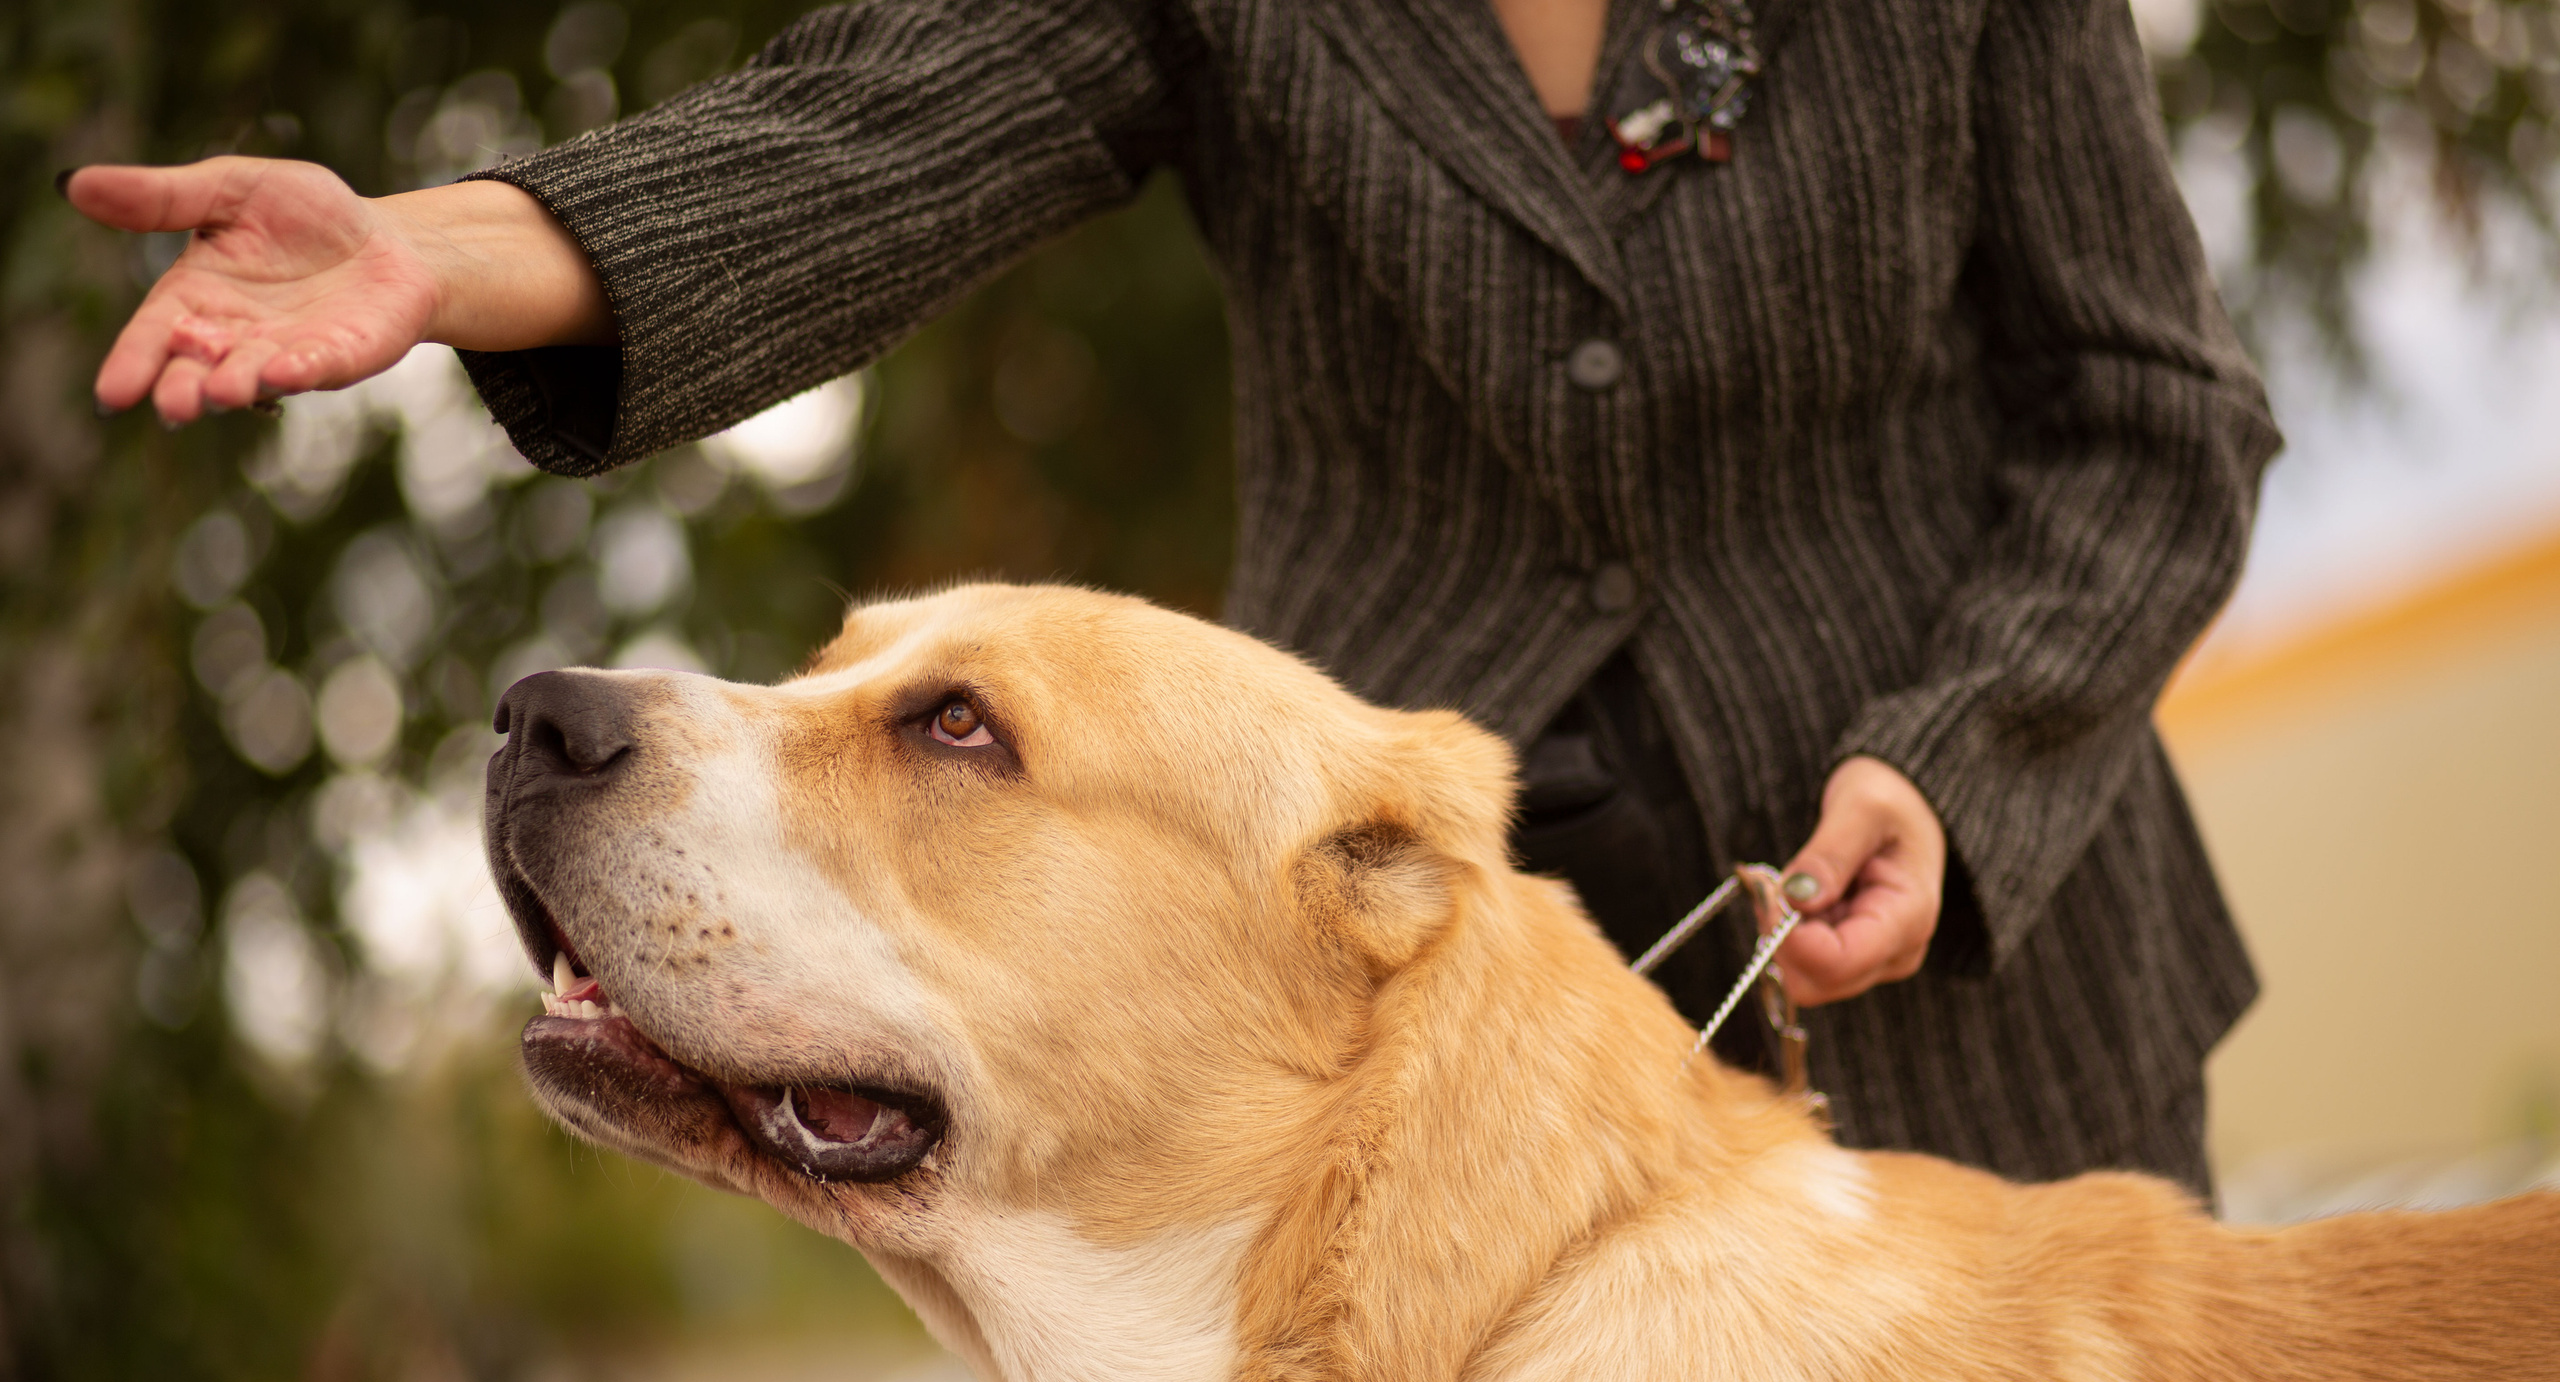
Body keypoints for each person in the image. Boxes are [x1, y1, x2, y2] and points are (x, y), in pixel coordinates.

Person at [66, 0, 2279, 1199]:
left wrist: (1958, 753)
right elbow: (871, 134)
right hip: (1388, 988)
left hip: (1970, 960)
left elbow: (2154, 406)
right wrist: (442, 250)